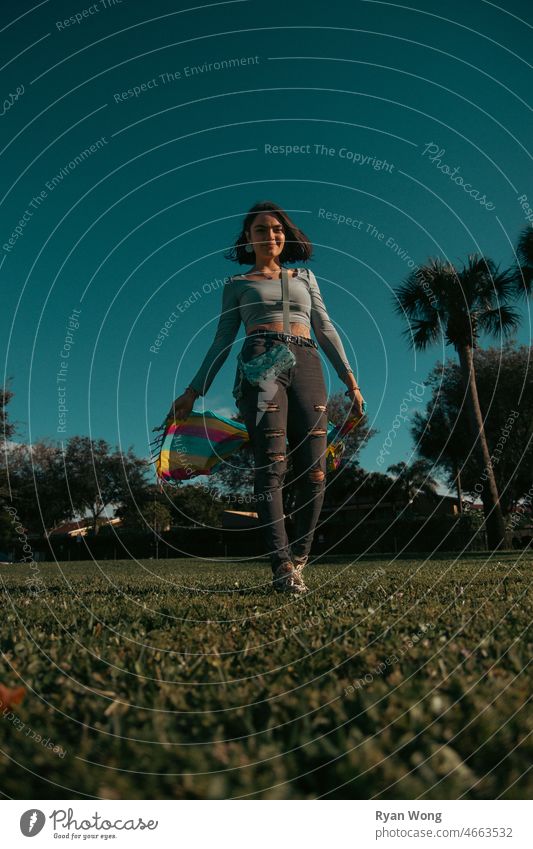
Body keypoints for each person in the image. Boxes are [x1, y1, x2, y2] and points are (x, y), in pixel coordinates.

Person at [168, 201, 365, 594]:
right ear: (248, 238)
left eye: (276, 229)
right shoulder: (237, 285)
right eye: (261, 230)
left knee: (315, 470)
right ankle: (281, 566)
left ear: (285, 235)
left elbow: (325, 328)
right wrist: (193, 391)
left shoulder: (305, 277)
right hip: (260, 362)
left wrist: (351, 381)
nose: (270, 236)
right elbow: (222, 341)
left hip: (307, 361)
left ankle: (300, 559)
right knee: (271, 465)